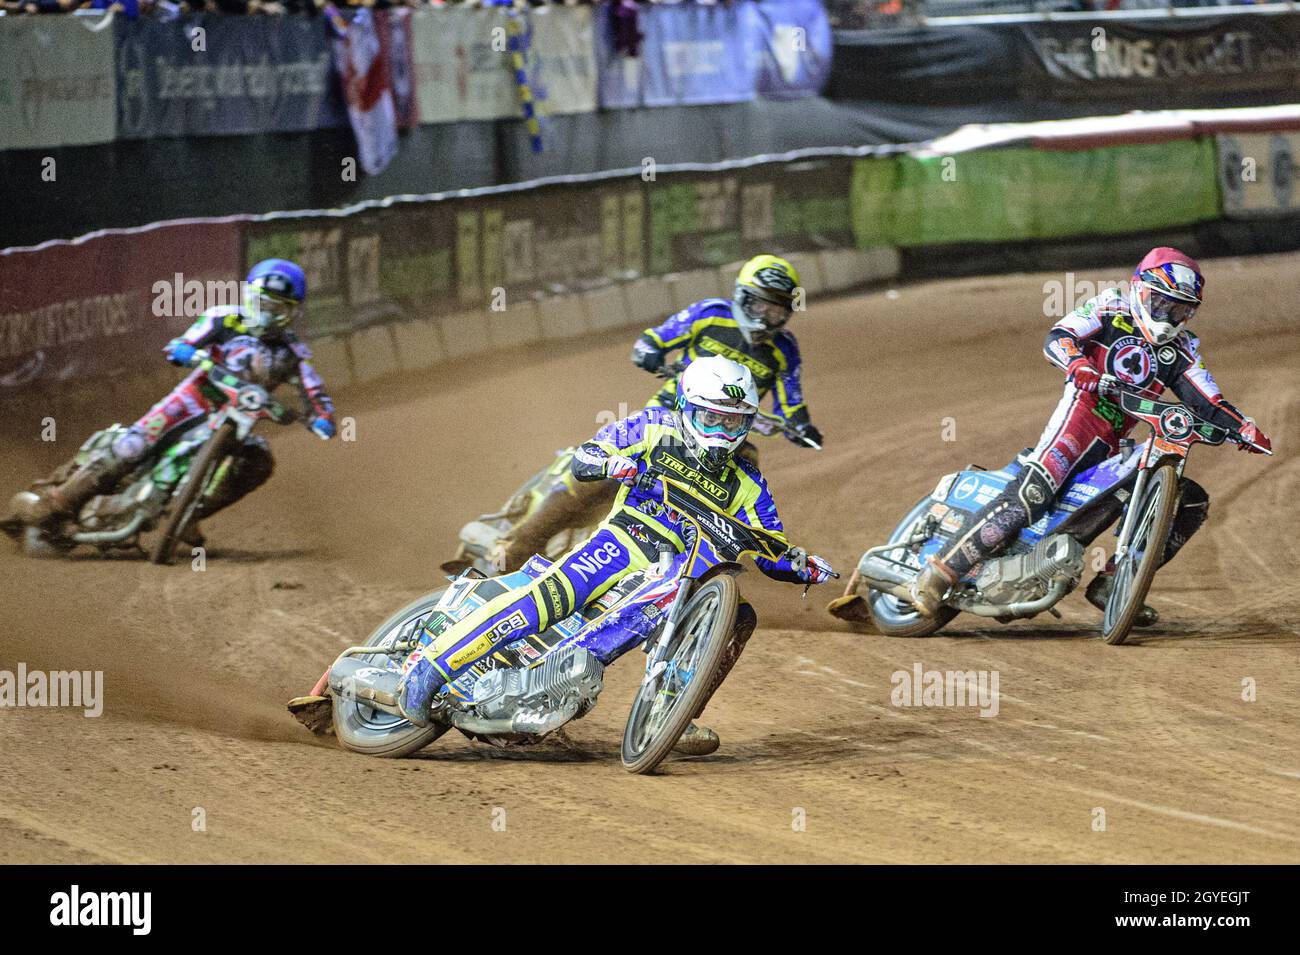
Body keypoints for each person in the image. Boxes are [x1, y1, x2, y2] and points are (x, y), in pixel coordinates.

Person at [400, 356, 834, 755]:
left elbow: (772, 547)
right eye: (712, 418)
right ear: (686, 405)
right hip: (623, 542)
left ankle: (675, 711)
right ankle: (434, 664)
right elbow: (589, 454)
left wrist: (802, 565)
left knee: (740, 616)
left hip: (681, 576)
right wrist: (611, 463)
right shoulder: (653, 426)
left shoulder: (750, 484)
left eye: (734, 422)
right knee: (550, 598)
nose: (722, 433)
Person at [910, 248, 1272, 622]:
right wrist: (1078, 363)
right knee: (1034, 495)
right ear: (1139, 290)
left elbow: (1208, 400)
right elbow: (1059, 337)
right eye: (1160, 303)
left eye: (1179, 309)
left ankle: (1115, 584)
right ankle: (939, 574)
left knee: (1192, 500)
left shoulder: (1182, 350)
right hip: (1079, 418)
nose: (1167, 317)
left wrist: (1242, 427)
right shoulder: (1110, 307)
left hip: (1115, 443)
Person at [495, 254, 823, 571]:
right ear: (742, 296)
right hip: (667, 417)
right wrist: (650, 353)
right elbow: (654, 339)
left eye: (777, 309)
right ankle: (516, 547)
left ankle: (709, 559)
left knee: (746, 463)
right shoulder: (710, 313)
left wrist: (802, 427)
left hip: (724, 437)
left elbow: (790, 403)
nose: (767, 316)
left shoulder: (785, 350)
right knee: (605, 476)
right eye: (761, 304)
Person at [7, 259, 336, 547]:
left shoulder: (292, 354)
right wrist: (185, 350)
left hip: (238, 421)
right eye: (263, 304)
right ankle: (53, 507)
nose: (267, 315)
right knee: (131, 447)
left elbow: (313, 389)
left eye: (278, 309)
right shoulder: (223, 319)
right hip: (192, 400)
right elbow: (185, 341)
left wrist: (322, 417)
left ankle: (190, 514)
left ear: (291, 313)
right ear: (249, 298)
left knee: (258, 460)